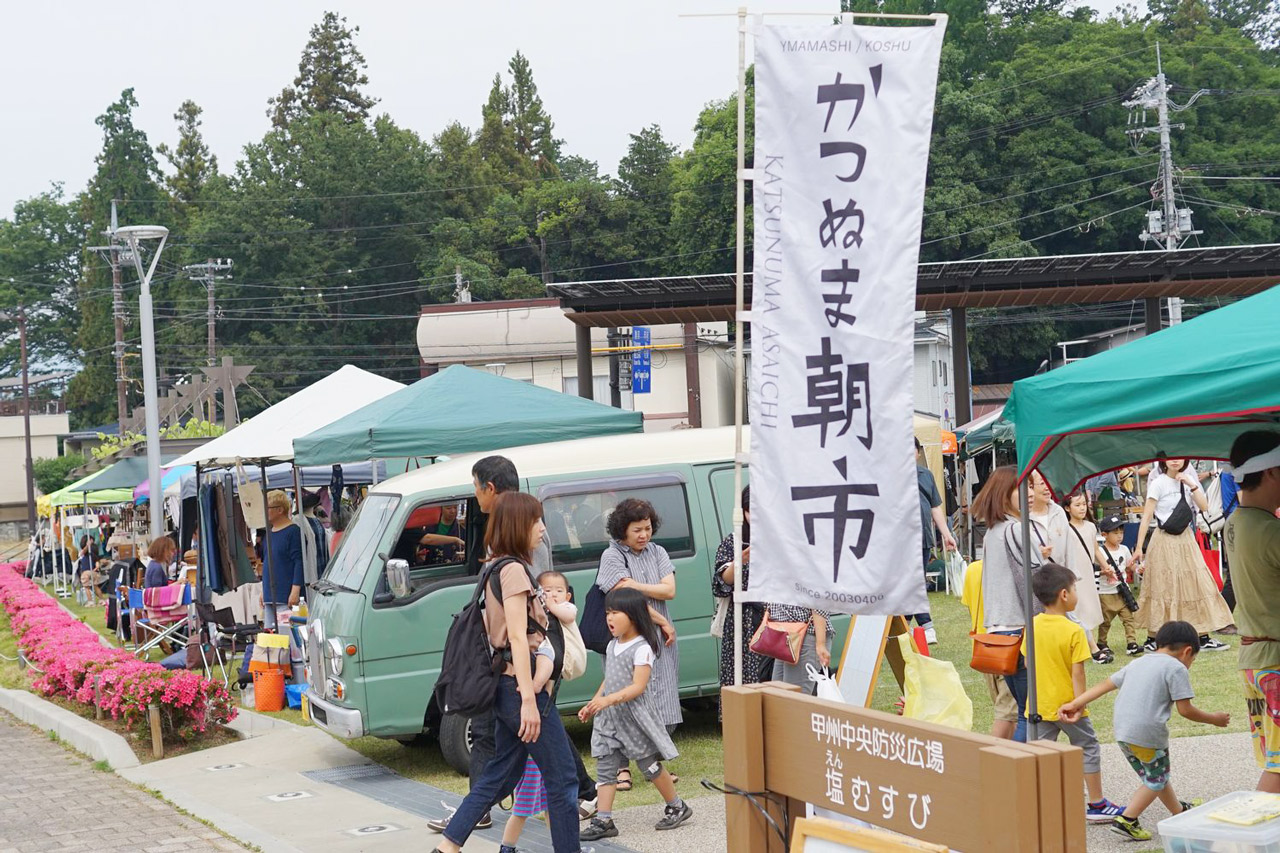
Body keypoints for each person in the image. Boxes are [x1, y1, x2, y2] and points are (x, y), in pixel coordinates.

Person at [430, 456, 593, 835]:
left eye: (476, 487)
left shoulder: (504, 560)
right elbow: (521, 633)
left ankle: (452, 842)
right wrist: (530, 695)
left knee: (504, 768)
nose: (542, 529)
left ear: (489, 488)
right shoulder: (514, 567)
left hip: (516, 677)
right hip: (519, 680)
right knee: (557, 776)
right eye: (537, 522)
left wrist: (536, 682)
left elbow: (534, 622)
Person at [1060, 621, 1230, 841]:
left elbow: (1105, 684)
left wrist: (1075, 703)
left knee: (1156, 775)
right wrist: (1214, 719)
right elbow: (1185, 710)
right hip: (1147, 734)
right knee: (1156, 779)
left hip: (1123, 732)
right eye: (1193, 659)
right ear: (1188, 651)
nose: (1191, 664)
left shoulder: (1138, 662)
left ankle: (1178, 811)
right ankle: (1128, 819)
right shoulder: (1176, 668)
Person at [578, 586, 693, 842]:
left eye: (615, 612)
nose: (609, 618)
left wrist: (607, 700)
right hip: (609, 717)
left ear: (633, 615)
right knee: (606, 766)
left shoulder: (643, 647)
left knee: (649, 766)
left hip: (634, 717)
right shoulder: (612, 645)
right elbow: (609, 680)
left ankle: (677, 805)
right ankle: (604, 819)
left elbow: (637, 687)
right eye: (607, 612)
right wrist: (594, 702)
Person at [1025, 563, 1125, 822]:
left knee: (1039, 754)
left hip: (1038, 704)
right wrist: (1078, 704)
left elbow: (1027, 663)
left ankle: (1038, 806)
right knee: (1087, 745)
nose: (1076, 593)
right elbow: (1077, 672)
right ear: (1064, 595)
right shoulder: (1073, 630)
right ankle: (1096, 803)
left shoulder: (1031, 625)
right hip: (1069, 704)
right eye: (1075, 588)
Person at [1222, 430, 1280, 794]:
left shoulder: (1234, 522)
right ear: (1271, 471)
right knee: (1278, 768)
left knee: (1273, 759)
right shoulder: (1271, 530)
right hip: (1275, 658)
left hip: (1255, 657)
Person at [596, 498, 681, 741]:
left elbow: (670, 591)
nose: (644, 535)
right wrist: (662, 621)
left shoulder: (658, 552)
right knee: (622, 689)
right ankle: (621, 763)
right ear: (622, 529)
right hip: (629, 637)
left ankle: (658, 754)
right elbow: (627, 602)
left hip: (659, 637)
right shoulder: (611, 556)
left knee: (662, 689)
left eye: (648, 528)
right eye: (637, 530)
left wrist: (634, 585)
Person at [973, 465, 1043, 742]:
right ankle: (1018, 776)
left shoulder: (993, 531)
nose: (1029, 494)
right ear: (1004, 493)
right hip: (1022, 631)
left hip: (1000, 632)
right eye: (1021, 487)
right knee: (1029, 713)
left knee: (1021, 710)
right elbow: (1034, 583)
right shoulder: (1016, 530)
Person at [1133, 457, 1233, 652]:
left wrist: (1192, 485)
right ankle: (1153, 637)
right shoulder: (1158, 483)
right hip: (1163, 540)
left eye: (1179, 458)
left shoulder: (1188, 480)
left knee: (1196, 583)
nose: (1175, 462)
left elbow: (1205, 507)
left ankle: (1202, 636)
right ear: (1163, 461)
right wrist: (1138, 548)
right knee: (1162, 586)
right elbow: (1146, 517)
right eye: (1170, 458)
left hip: (1186, 539)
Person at [712, 486, 772, 713]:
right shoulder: (733, 541)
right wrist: (740, 561)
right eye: (749, 511)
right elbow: (721, 583)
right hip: (742, 620)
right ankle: (741, 721)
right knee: (741, 674)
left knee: (772, 674)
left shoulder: (780, 538)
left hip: (773, 617)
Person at [960, 558, 1018, 740]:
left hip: (984, 648)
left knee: (1008, 711)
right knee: (1007, 713)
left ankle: (1009, 758)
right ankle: (994, 756)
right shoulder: (1011, 570)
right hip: (1009, 648)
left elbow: (971, 607)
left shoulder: (973, 569)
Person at [912, 438, 958, 644]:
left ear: (918, 453)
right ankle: (924, 625)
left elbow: (935, 508)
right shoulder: (890, 477)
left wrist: (946, 534)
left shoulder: (926, 475)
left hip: (923, 539)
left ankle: (912, 626)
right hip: (898, 542)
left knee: (916, 582)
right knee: (910, 584)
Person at [1061, 493, 1108, 662]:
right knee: (1077, 610)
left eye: (1083, 504)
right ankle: (1093, 648)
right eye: (1077, 505)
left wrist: (1105, 566)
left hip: (1088, 572)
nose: (1082, 508)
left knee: (1089, 609)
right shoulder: (1065, 528)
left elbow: (1095, 550)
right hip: (1073, 574)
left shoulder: (1090, 526)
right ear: (1067, 508)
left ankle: (1088, 645)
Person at [1096, 513, 1141, 657]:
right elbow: (1094, 572)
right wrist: (1104, 573)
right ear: (1104, 534)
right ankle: (1102, 643)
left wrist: (1138, 569)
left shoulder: (1124, 549)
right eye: (1115, 533)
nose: (1119, 536)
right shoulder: (1099, 552)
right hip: (1105, 592)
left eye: (1121, 532)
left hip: (1122, 591)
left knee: (1128, 618)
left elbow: (1130, 566)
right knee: (1106, 621)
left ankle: (1132, 643)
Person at [261, 490, 304, 635]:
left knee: (288, 637)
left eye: (268, 508)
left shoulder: (293, 532)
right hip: (270, 594)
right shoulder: (269, 533)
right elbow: (267, 561)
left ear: (280, 510)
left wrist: (295, 589)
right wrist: (263, 590)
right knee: (271, 637)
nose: (265, 512)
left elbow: (299, 561)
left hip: (286, 595)